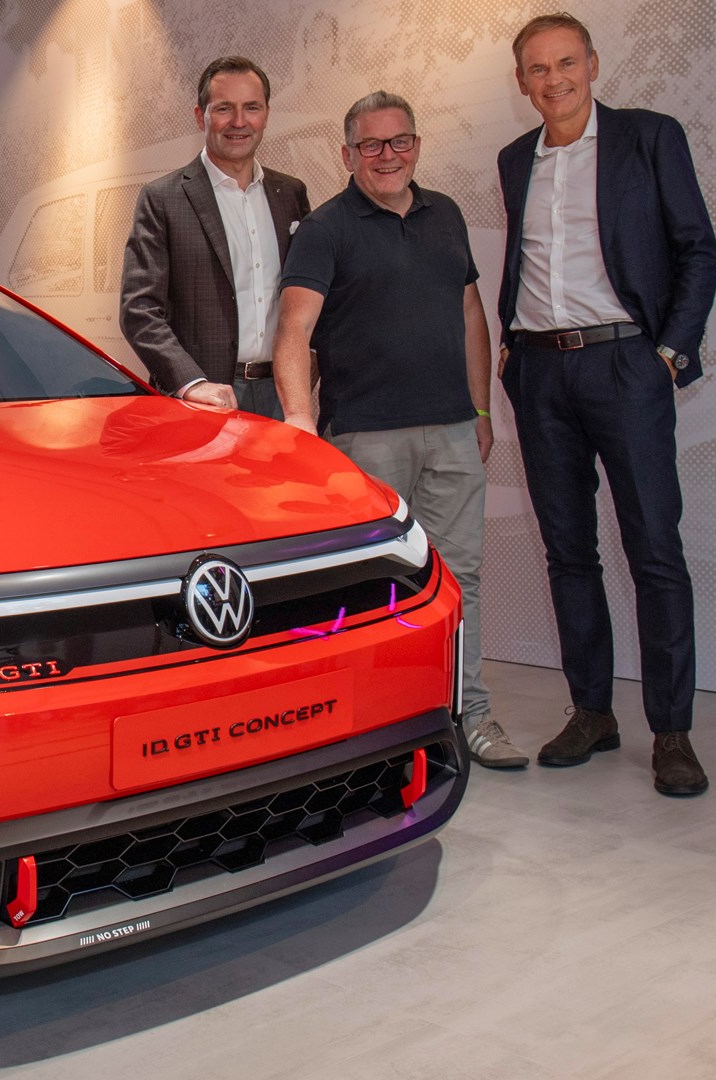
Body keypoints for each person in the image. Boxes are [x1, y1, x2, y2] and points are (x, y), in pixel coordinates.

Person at [498, 13, 716, 795]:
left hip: (627, 364)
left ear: (592, 64)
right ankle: (592, 711)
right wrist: (510, 353)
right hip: (539, 370)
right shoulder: (515, 159)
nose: (553, 79)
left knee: (654, 549)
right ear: (521, 81)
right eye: (538, 68)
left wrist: (668, 355)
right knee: (568, 552)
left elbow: (697, 249)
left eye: (566, 62)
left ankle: (672, 732)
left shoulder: (649, 138)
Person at [272, 92, 526, 770]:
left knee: (459, 581)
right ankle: (379, 732)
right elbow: (294, 328)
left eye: (400, 141)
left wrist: (480, 411)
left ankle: (470, 714)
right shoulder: (324, 229)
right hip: (365, 439)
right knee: (374, 589)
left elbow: (470, 312)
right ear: (347, 154)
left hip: (452, 432)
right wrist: (299, 423)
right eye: (372, 145)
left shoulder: (446, 214)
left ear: (416, 145)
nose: (388, 156)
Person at [121, 56, 311, 417]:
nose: (239, 121)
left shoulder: (290, 194)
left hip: (282, 393)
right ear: (200, 116)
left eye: (251, 107)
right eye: (224, 108)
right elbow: (139, 310)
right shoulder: (162, 198)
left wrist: (310, 361)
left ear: (266, 114)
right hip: (204, 398)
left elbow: (310, 295)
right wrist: (192, 383)